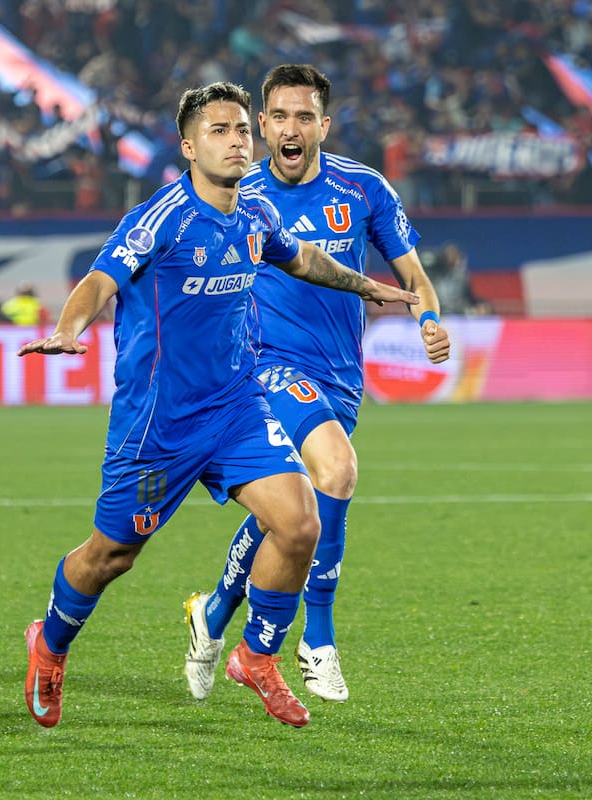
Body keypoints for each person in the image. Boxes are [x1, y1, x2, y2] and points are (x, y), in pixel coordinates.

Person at [19, 81, 419, 729]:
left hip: (235, 408)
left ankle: (256, 657)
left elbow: (304, 260)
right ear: (187, 147)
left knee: (300, 522)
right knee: (110, 556)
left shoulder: (255, 215)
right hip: (159, 425)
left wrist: (369, 286)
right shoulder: (161, 219)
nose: (236, 141)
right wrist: (70, 328)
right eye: (219, 131)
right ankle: (52, 644)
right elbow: (99, 279)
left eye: (241, 130)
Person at [182, 64, 450, 707]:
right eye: (278, 116)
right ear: (263, 125)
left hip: (340, 376)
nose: (290, 128)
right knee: (336, 470)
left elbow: (411, 271)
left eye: (305, 116)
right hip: (263, 367)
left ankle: (216, 611)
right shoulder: (235, 191)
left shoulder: (362, 188)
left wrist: (430, 318)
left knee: (293, 510)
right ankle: (317, 638)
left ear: (323, 125)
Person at [424, 241, 493, 316]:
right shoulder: (433, 276)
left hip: (460, 314)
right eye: (448, 256)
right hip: (438, 313)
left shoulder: (461, 277)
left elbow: (469, 297)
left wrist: (481, 305)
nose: (451, 259)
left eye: (454, 256)